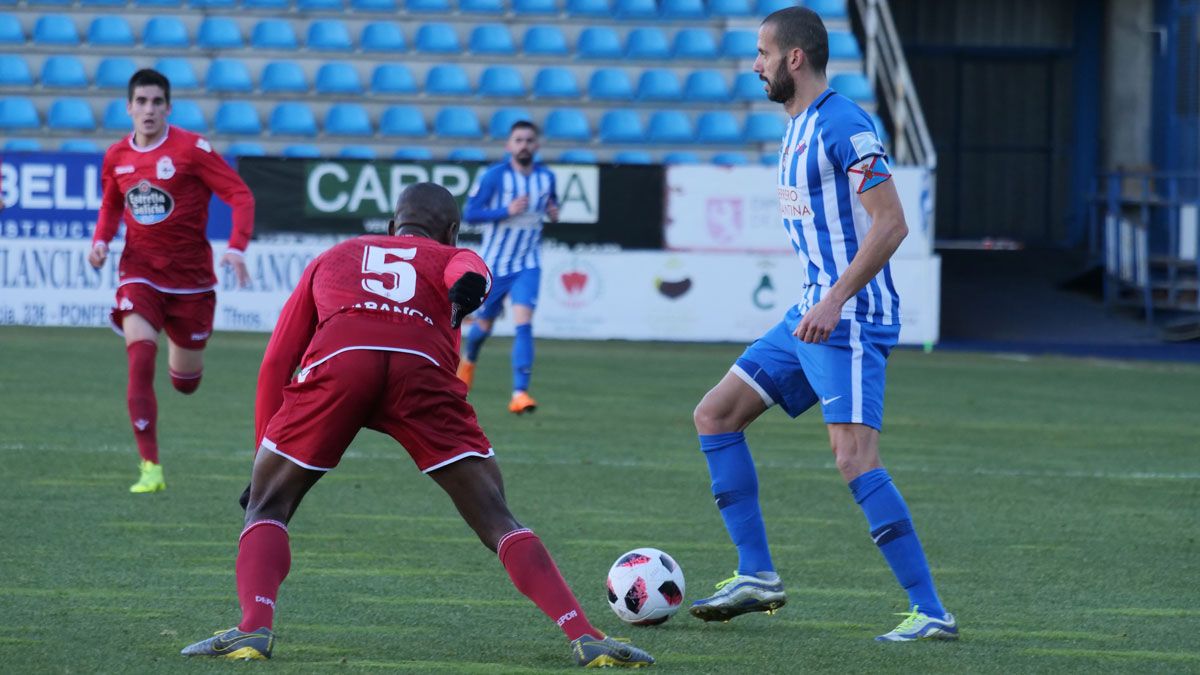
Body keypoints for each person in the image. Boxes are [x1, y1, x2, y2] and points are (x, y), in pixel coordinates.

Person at [180, 183, 654, 667]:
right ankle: (584, 633)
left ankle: (253, 628)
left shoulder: (337, 254)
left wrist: (264, 453)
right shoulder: (454, 255)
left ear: (391, 227)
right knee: (496, 517)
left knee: (268, 506)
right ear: (450, 232)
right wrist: (469, 286)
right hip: (419, 369)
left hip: (342, 361)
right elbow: (468, 269)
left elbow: (278, 359)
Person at [686, 7, 958, 643]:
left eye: (762, 53)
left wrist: (835, 299)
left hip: (850, 317)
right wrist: (820, 299)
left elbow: (891, 223)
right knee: (715, 415)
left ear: (795, 58)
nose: (755, 64)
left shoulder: (844, 124)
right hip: (809, 311)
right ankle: (756, 575)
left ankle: (931, 611)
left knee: (854, 456)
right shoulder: (796, 126)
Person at [88, 68, 254, 494]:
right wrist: (101, 241)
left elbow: (240, 196)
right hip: (139, 274)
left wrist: (236, 246)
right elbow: (110, 205)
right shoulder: (116, 157)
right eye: (141, 102)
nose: (148, 110)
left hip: (192, 283)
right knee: (139, 359)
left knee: (185, 383)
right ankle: (150, 466)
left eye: (156, 102)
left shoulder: (192, 149)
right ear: (128, 107)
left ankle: (184, 366)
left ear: (168, 108)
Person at [457, 120, 559, 415]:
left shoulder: (547, 177)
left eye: (529, 140)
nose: (524, 145)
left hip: (528, 263)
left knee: (523, 322)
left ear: (536, 145)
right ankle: (470, 359)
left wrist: (553, 212)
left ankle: (519, 393)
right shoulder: (495, 176)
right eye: (518, 140)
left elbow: (551, 204)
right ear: (509, 146)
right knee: (483, 326)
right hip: (496, 264)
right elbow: (470, 213)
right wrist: (506, 210)